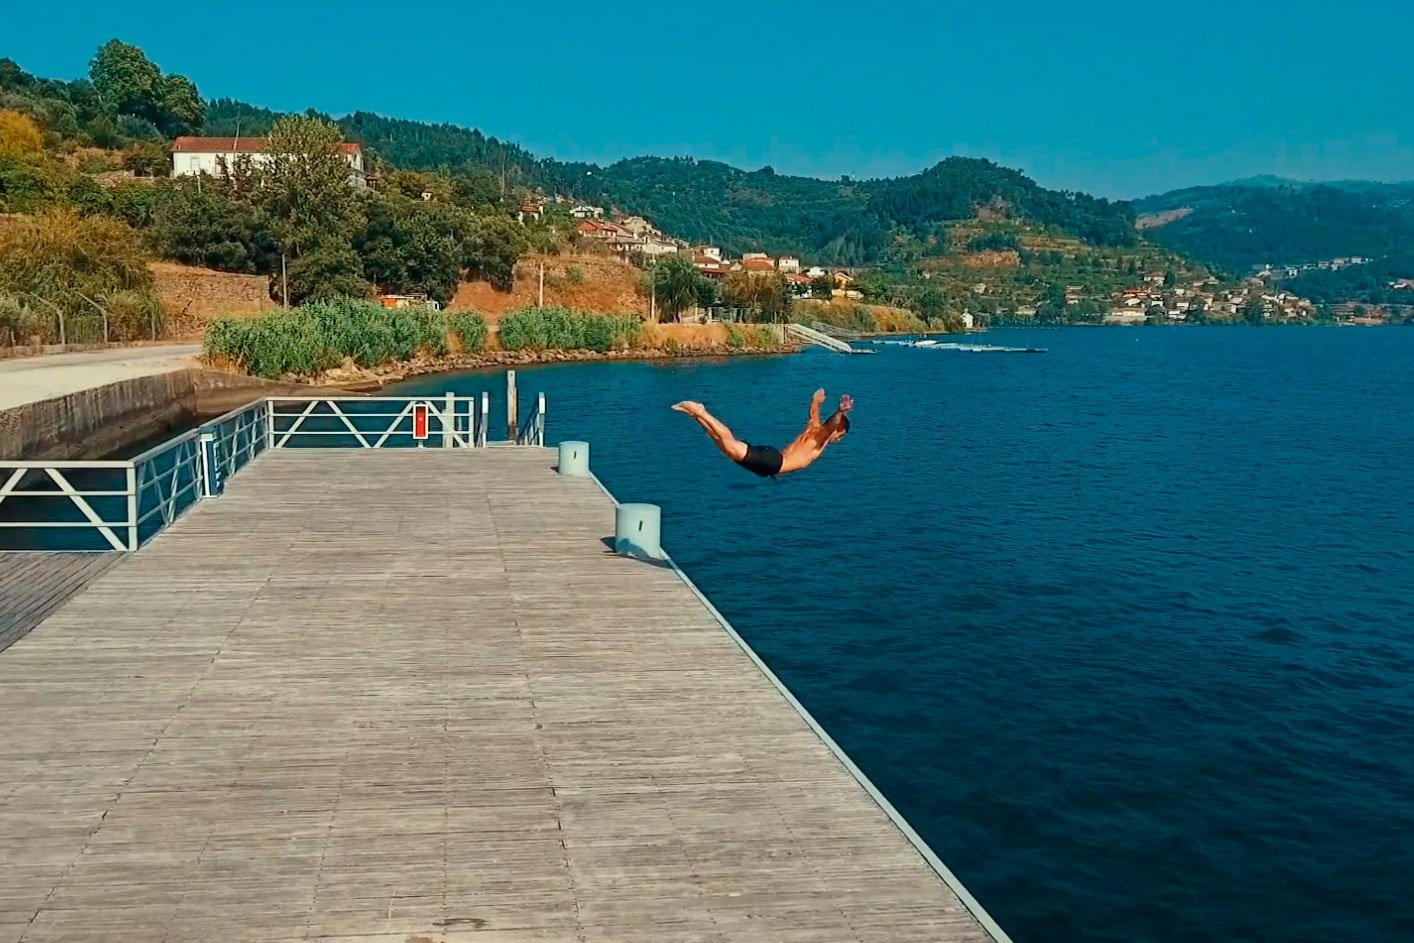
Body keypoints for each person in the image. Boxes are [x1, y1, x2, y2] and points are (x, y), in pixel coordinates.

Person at [672, 389, 853, 479]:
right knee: (731, 445)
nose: (838, 439)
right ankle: (701, 412)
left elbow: (814, 412)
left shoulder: (813, 429)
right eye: (840, 435)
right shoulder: (821, 439)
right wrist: (839, 412)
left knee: (726, 449)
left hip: (769, 465)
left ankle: (697, 416)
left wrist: (816, 400)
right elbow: (831, 425)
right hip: (774, 463)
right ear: (836, 431)